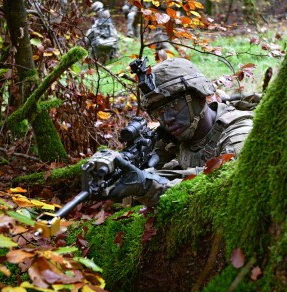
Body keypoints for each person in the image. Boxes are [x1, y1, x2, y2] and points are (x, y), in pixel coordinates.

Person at [107, 58, 254, 207]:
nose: (167, 119)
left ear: (199, 95)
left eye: (174, 105)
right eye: (158, 112)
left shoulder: (238, 133)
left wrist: (148, 187)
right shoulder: (172, 136)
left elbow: (221, 190)